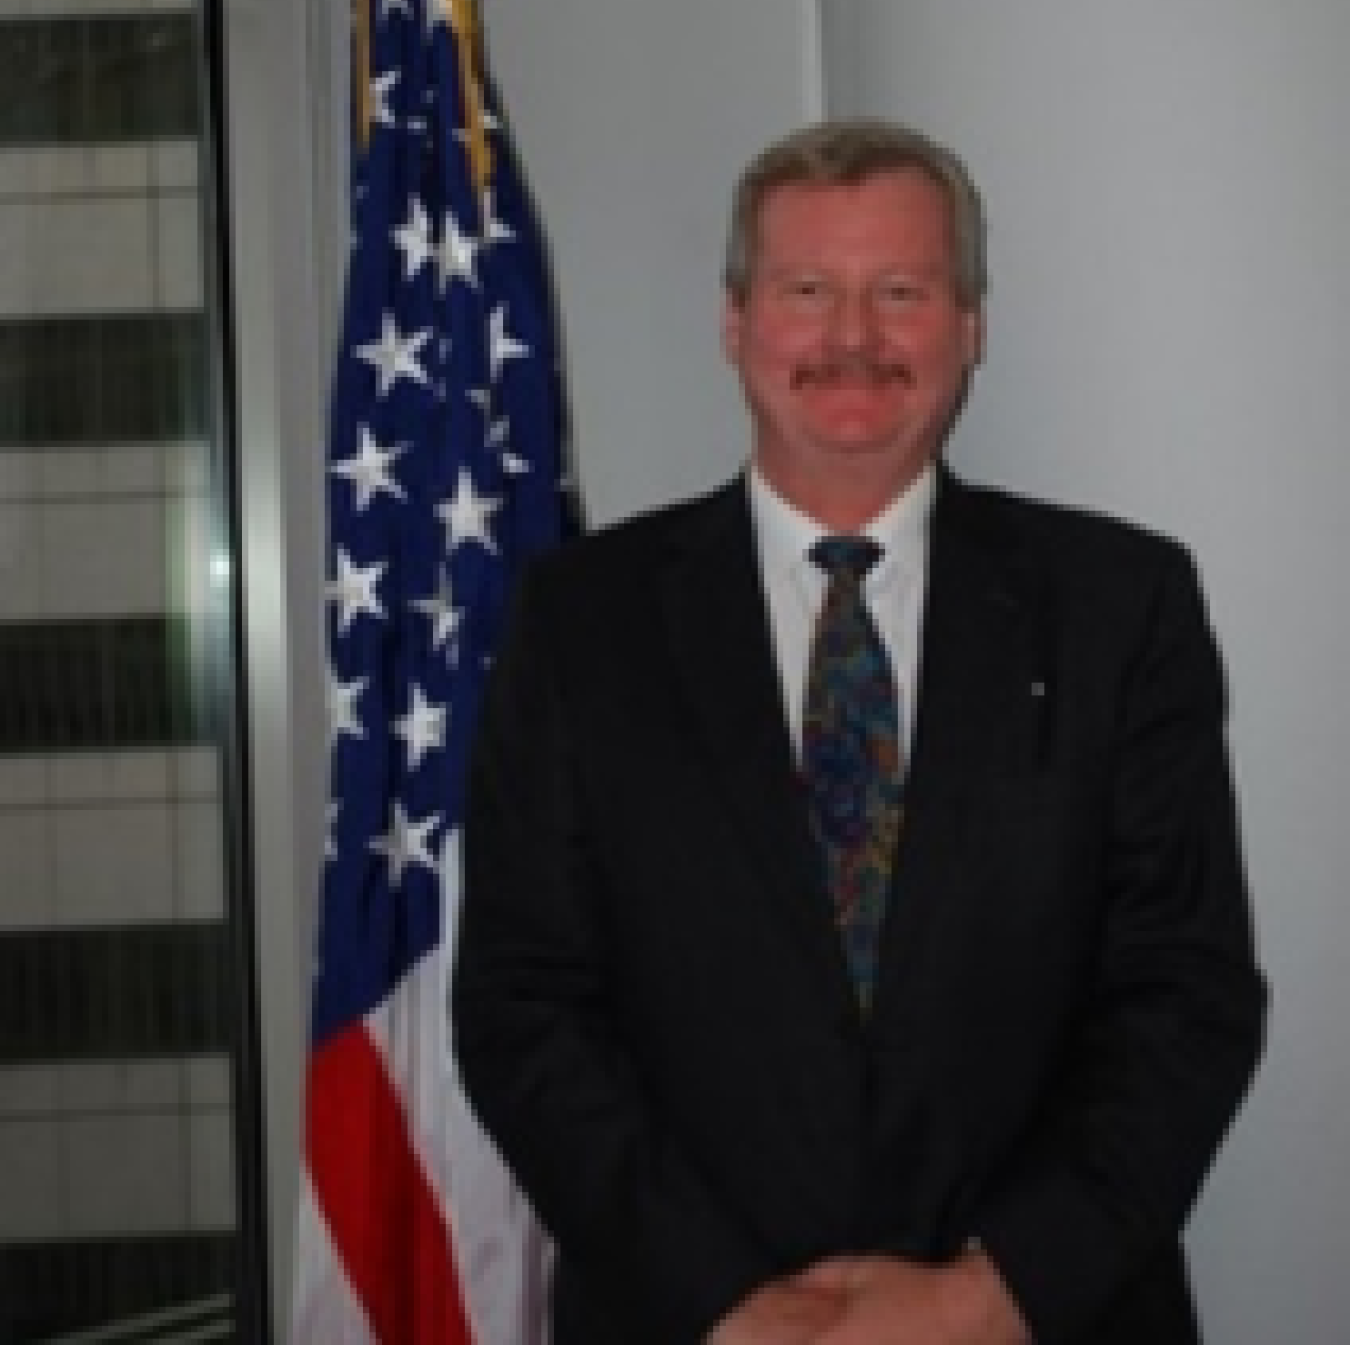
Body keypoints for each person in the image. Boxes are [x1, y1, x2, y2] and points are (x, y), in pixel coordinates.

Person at [452, 119, 1266, 1344]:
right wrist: (729, 1303)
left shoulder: (1121, 607)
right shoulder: (581, 621)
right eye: (806, 290)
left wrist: (988, 1298)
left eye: (901, 290)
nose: (851, 337)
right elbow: (523, 1003)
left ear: (970, 326)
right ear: (735, 325)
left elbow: (1184, 994)